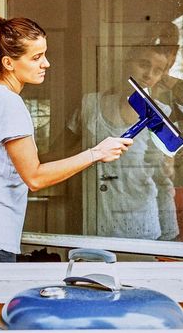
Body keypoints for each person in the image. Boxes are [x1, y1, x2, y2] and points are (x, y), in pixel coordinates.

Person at [0, 16, 133, 263]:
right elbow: (35, 177)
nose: (46, 64)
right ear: (8, 63)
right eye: (36, 58)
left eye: (44, 55)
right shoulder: (7, 102)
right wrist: (96, 153)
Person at [68, 44, 177, 240]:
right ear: (126, 63)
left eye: (158, 71)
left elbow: (167, 175)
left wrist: (166, 165)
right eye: (143, 64)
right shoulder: (90, 105)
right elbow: (62, 153)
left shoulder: (160, 114)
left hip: (142, 219)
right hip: (98, 216)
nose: (148, 74)